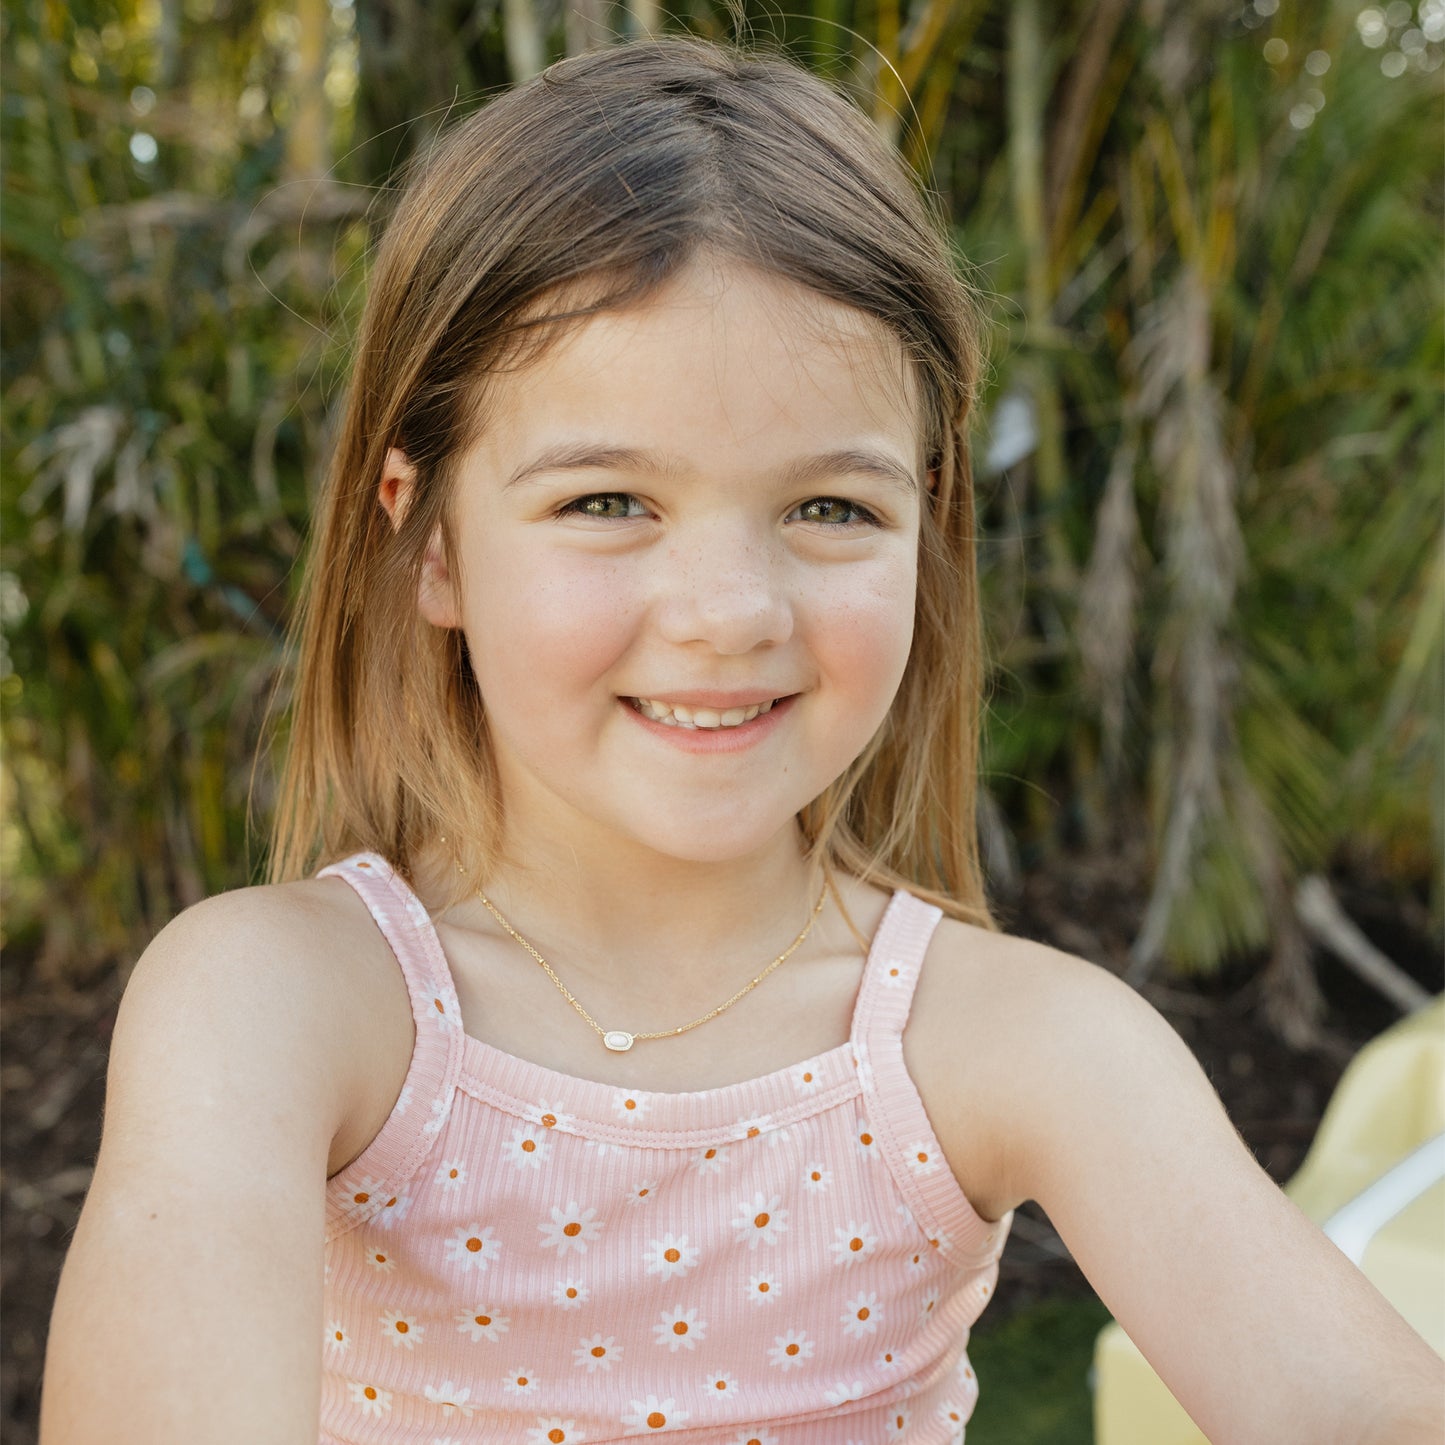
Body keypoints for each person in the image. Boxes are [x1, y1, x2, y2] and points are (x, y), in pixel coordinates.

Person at [40, 35, 1441, 1445]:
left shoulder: (1021, 1045)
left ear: (925, 533)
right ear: (429, 545)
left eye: (830, 507)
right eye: (606, 502)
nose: (728, 613)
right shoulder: (276, 1008)